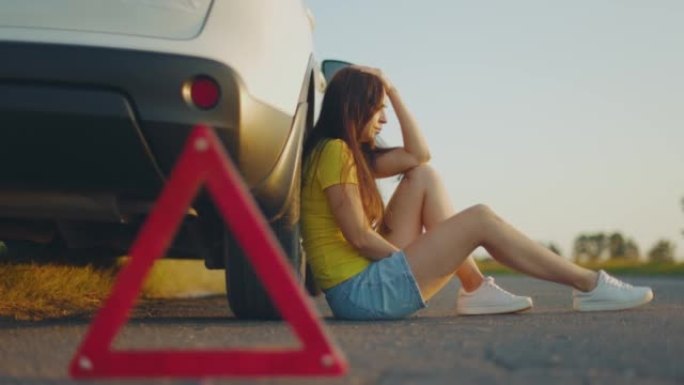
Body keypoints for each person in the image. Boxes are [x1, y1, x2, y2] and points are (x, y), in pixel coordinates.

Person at [300, 65, 653, 320]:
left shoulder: (347, 153)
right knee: (480, 218)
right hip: (361, 294)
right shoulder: (334, 151)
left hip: (363, 284)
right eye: (379, 109)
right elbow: (360, 238)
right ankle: (588, 284)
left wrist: (392, 89)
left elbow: (418, 155)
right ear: (355, 108)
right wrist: (416, 260)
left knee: (424, 176)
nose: (385, 120)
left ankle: (474, 288)